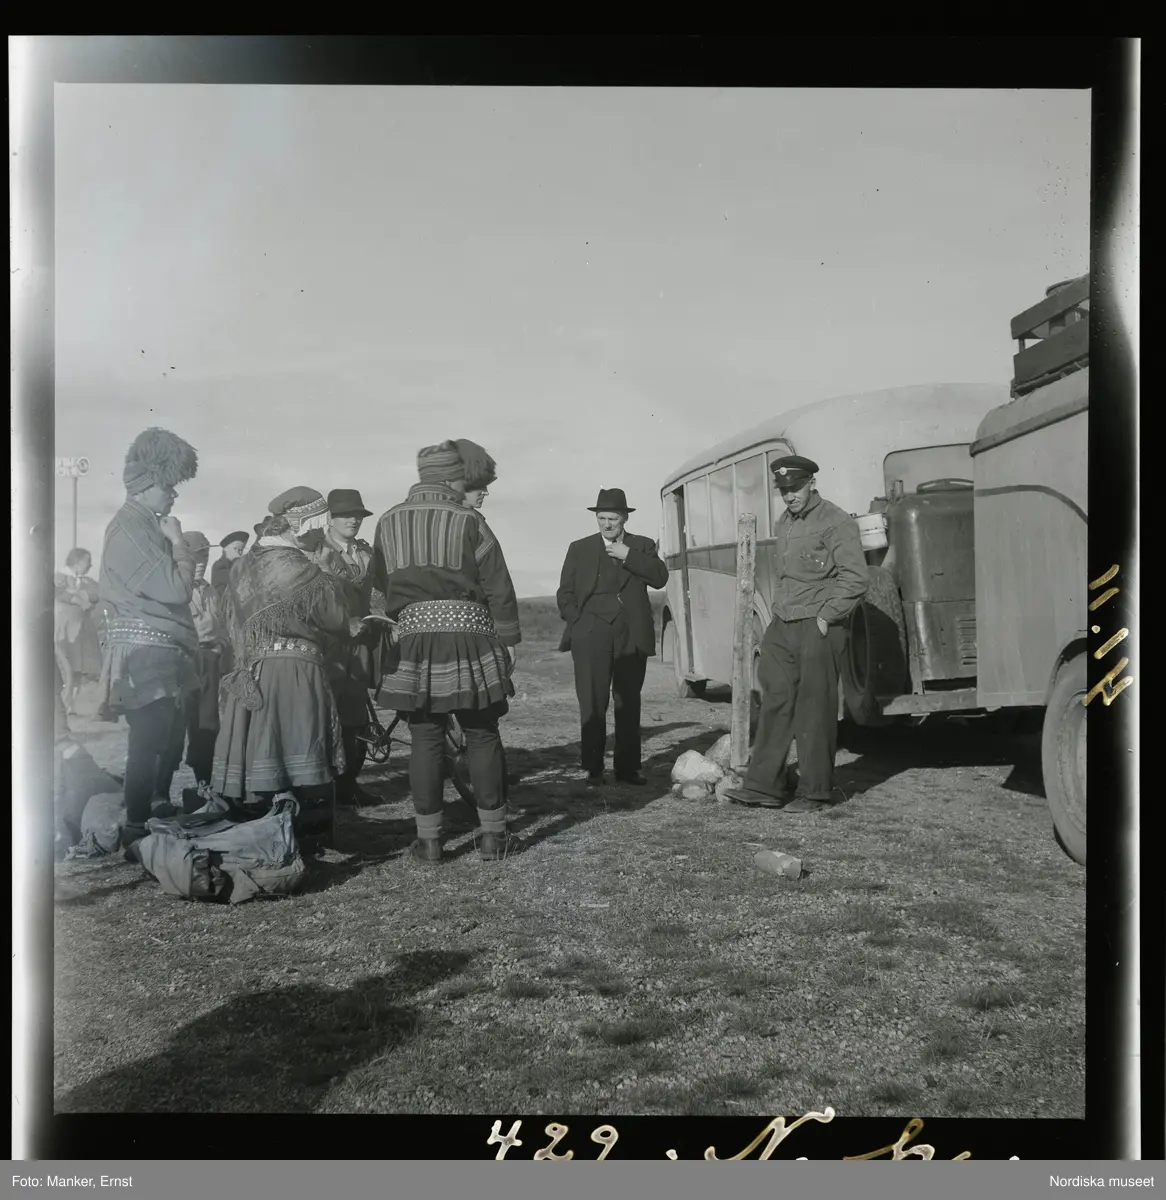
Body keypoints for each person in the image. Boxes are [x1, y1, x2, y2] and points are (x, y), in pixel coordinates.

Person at [372, 438, 521, 864]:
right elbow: (498, 584)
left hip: (414, 639)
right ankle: (494, 838)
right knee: (482, 732)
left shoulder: (387, 521)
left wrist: (398, 624)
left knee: (425, 736)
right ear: (452, 479)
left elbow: (378, 586)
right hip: (470, 635)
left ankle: (430, 843)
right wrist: (509, 639)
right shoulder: (469, 519)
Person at [211, 487, 357, 850]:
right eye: (314, 525)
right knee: (300, 751)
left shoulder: (241, 566)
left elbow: (230, 619)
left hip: (253, 668)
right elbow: (335, 617)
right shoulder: (303, 569)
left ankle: (266, 838)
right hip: (295, 670)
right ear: (297, 525)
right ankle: (305, 840)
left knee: (264, 754)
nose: (318, 532)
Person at [722, 456, 869, 813]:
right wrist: (777, 616)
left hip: (817, 626)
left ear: (811, 484)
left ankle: (814, 793)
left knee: (814, 709)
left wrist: (826, 617)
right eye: (784, 490)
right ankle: (763, 786)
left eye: (796, 488)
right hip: (784, 624)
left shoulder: (836, 521)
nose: (789, 496)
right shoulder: (784, 522)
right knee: (775, 700)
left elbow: (855, 578)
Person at [96, 427, 200, 845]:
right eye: (168, 487)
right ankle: (137, 825)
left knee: (161, 738)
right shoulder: (132, 529)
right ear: (145, 487)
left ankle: (149, 811)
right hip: (145, 648)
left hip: (156, 646)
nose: (173, 495)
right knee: (147, 741)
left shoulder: (141, 525)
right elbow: (177, 589)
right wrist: (179, 543)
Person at [557, 488, 669, 786]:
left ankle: (627, 769)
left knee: (627, 700)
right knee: (592, 700)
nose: (607, 524)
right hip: (590, 632)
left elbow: (660, 578)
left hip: (630, 633)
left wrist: (628, 555)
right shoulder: (579, 548)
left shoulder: (642, 546)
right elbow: (565, 593)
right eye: (602, 518)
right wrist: (578, 623)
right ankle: (593, 767)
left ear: (624, 519)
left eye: (613, 519)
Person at [317, 488, 384, 807]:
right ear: (330, 519)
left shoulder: (365, 554)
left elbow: (378, 591)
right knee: (324, 713)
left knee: (355, 715)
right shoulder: (315, 553)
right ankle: (322, 786)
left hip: (358, 646)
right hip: (327, 645)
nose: (353, 520)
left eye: (358, 515)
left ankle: (348, 785)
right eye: (345, 515)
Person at [164, 531, 231, 793]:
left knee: (207, 723)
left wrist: (219, 646)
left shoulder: (210, 590)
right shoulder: (172, 588)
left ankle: (204, 785)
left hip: (208, 659)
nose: (202, 562)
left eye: (205, 555)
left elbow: (221, 625)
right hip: (181, 660)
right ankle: (160, 792)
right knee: (175, 725)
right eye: (195, 556)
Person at [54, 547, 104, 712]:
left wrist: (76, 593)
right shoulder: (59, 577)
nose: (90, 565)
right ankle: (60, 702)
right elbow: (58, 593)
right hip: (63, 629)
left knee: (78, 668)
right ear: (77, 562)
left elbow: (97, 594)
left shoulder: (87, 581)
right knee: (62, 665)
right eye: (87, 561)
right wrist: (79, 600)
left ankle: (70, 704)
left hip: (82, 629)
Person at [211, 531, 249, 599]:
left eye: (241, 550)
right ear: (226, 549)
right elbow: (238, 578)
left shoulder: (237, 564)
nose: (239, 553)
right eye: (236, 549)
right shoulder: (219, 566)